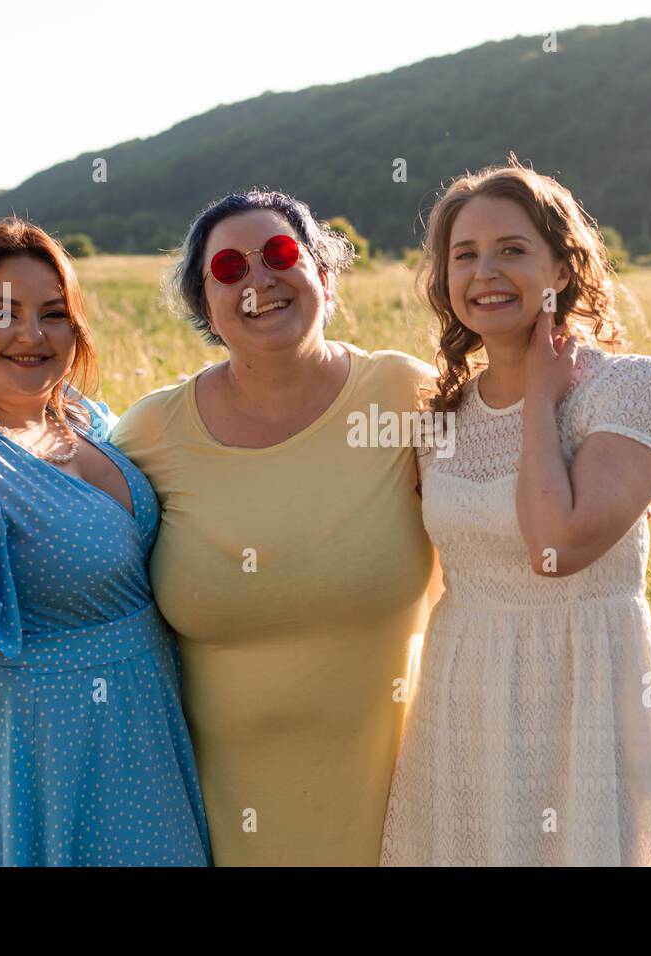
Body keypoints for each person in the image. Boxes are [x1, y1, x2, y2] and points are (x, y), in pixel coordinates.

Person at [0, 217, 210, 865]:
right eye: (3, 312)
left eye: (53, 313)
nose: (32, 334)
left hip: (143, 725)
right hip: (35, 748)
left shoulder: (88, 418)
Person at [380, 158, 651, 865]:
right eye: (465, 256)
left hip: (583, 693)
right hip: (463, 699)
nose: (485, 272)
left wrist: (541, 400)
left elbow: (556, 545)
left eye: (512, 251)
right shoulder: (443, 413)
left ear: (561, 266)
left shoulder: (630, 388)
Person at [110, 190, 436, 866]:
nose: (259, 280)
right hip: (218, 819)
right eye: (228, 269)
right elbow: (82, 556)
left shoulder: (405, 396)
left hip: (403, 808)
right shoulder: (151, 434)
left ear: (322, 271)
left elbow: (505, 504)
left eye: (281, 254)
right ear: (205, 307)